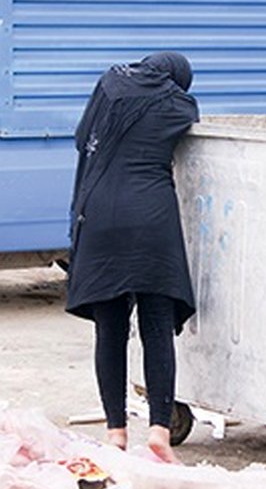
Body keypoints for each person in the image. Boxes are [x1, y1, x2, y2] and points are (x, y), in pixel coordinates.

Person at [66, 52, 199, 464]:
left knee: (110, 328)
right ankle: (159, 431)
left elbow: (81, 138)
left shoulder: (108, 85)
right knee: (156, 327)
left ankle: (115, 431)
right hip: (152, 219)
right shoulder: (181, 105)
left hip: (101, 213)